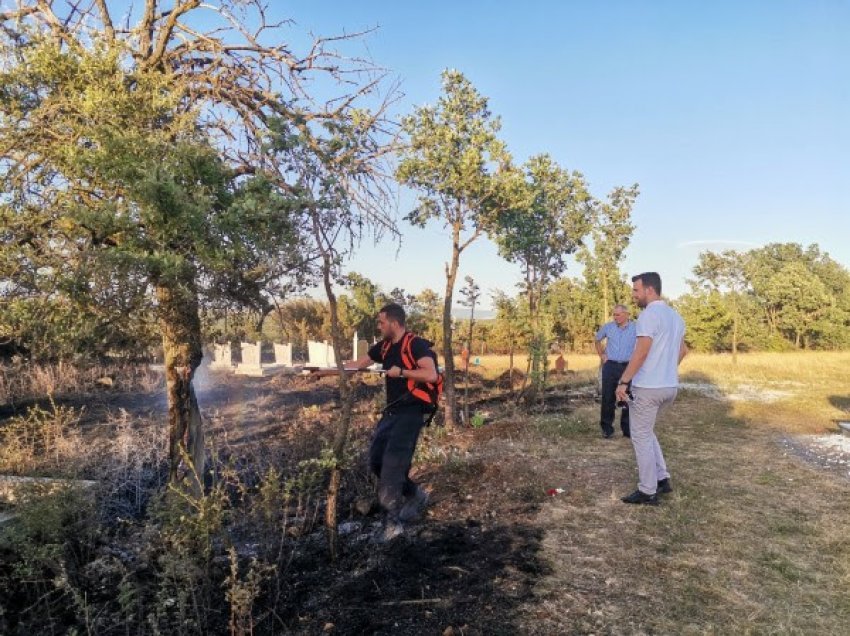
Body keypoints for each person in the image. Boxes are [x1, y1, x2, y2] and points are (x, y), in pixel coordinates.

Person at [346, 303, 438, 540]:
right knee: (376, 461)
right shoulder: (385, 347)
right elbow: (356, 365)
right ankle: (416, 494)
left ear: (394, 323)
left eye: (381, 322)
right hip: (392, 413)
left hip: (411, 413)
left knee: (392, 466)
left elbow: (431, 374)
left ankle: (392, 525)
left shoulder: (415, 344)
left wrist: (403, 372)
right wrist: (320, 371)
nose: (379, 326)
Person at [615, 273, 688, 505]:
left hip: (648, 388)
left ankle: (648, 490)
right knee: (647, 431)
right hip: (669, 387)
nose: (633, 295)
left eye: (636, 290)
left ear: (649, 290)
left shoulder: (648, 316)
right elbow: (683, 350)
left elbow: (642, 352)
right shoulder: (676, 317)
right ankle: (662, 478)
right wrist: (666, 370)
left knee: (641, 436)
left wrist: (624, 381)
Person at [594, 304, 637, 438]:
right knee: (608, 397)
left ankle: (627, 429)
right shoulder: (608, 327)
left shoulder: (636, 328)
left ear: (626, 315)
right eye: (614, 314)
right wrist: (602, 355)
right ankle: (607, 429)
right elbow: (597, 340)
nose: (615, 317)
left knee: (628, 397)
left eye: (618, 315)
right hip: (610, 365)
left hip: (628, 366)